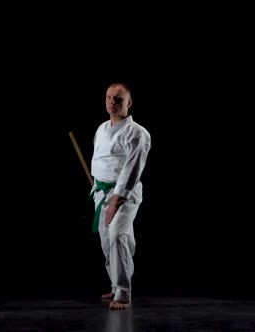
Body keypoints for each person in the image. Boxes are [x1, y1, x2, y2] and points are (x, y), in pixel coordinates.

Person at [89, 82, 151, 310]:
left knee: (117, 236)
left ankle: (124, 293)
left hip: (124, 194)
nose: (112, 103)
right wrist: (97, 185)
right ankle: (116, 285)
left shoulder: (138, 133)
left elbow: (132, 170)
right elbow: (99, 160)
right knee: (108, 241)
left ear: (129, 103)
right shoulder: (102, 129)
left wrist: (116, 200)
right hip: (101, 191)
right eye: (109, 98)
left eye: (118, 99)